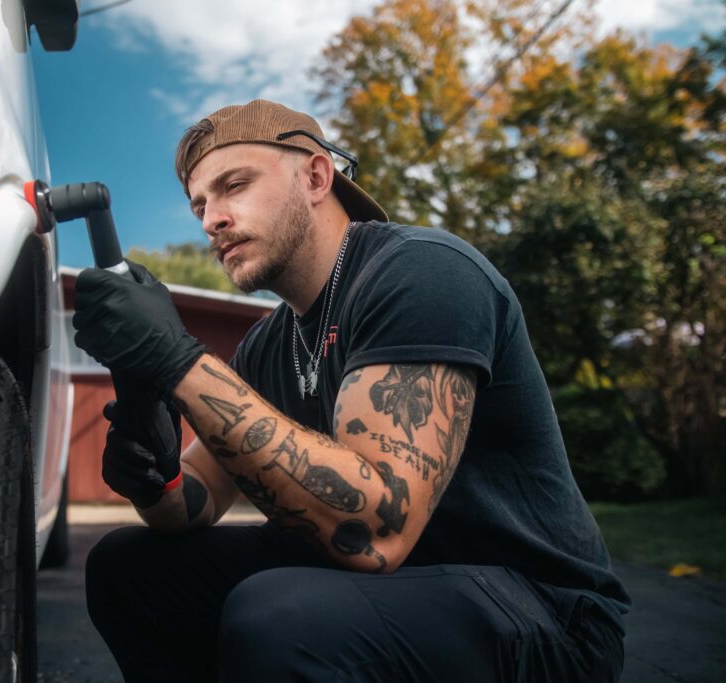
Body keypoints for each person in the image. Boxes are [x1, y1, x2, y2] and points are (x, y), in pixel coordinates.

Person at [72, 99, 630, 682]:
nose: (212, 218)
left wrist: (175, 359)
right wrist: (151, 470)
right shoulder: (268, 344)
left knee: (282, 617)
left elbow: (377, 530)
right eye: (200, 205)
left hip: (544, 616)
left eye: (233, 185)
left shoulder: (421, 272)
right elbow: (197, 502)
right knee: (127, 569)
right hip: (395, 594)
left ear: (316, 176)